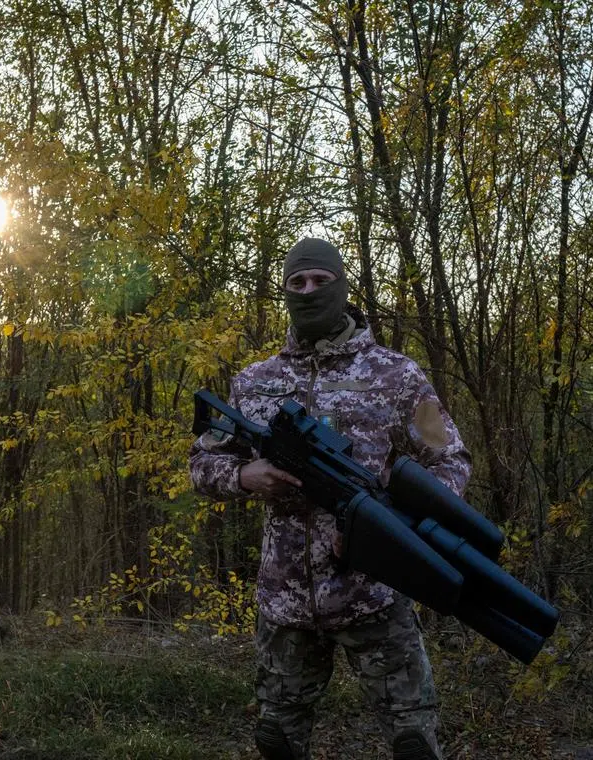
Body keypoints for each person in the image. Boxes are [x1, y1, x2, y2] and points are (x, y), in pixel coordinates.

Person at [189, 237, 471, 760]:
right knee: (277, 740)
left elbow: (449, 459)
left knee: (414, 742)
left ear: (342, 286)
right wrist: (245, 475)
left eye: (320, 280)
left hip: (376, 593)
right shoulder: (255, 381)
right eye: (297, 283)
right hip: (286, 601)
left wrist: (396, 531)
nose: (309, 290)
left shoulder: (398, 375)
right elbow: (202, 465)